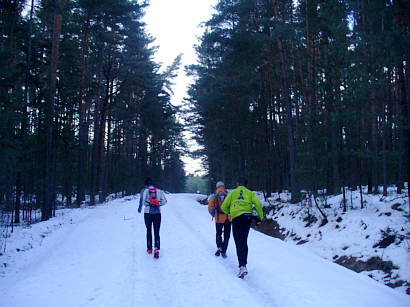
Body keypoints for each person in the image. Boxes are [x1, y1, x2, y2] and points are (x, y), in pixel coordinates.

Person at [221, 176, 263, 278]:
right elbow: (258, 204)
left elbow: (223, 207)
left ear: (237, 184)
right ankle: (243, 264)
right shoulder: (250, 193)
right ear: (246, 185)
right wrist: (260, 217)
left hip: (237, 219)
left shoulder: (232, 193)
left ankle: (242, 266)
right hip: (247, 218)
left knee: (238, 241)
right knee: (244, 241)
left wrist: (230, 213)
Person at [138, 178, 167, 258]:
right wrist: (157, 203)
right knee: (157, 231)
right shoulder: (159, 191)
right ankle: (157, 248)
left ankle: (149, 248)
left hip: (147, 213)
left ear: (146, 184)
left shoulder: (144, 191)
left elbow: (142, 201)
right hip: (157, 213)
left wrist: (140, 209)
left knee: (148, 230)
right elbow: (165, 201)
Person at [208, 181, 231, 258]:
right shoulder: (228, 195)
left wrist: (214, 214)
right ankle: (224, 251)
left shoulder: (214, 196)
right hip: (228, 218)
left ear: (217, 187)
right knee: (227, 235)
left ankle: (219, 247)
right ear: (224, 186)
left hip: (218, 218)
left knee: (219, 233)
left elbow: (210, 208)